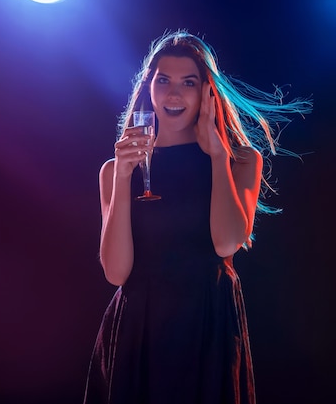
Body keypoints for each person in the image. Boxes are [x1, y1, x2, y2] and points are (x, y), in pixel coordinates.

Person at [83, 30, 312, 404]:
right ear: (148, 89)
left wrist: (217, 157)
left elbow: (225, 242)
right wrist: (124, 176)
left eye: (188, 83)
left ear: (206, 92)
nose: (174, 94)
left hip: (207, 324)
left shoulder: (240, 161)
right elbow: (116, 273)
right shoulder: (115, 170)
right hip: (138, 330)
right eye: (164, 81)